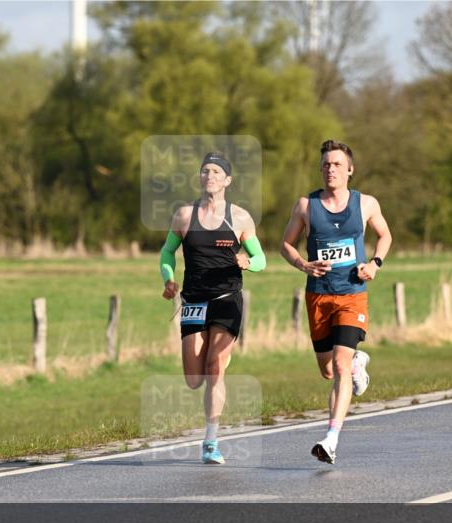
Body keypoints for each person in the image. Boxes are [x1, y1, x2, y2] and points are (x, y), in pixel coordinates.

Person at [280, 140, 392, 464]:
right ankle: (358, 363)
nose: (331, 169)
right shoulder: (305, 206)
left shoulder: (366, 204)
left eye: (338, 164)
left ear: (350, 170)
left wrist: (375, 264)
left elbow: (385, 235)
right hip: (318, 294)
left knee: (340, 366)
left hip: (352, 294)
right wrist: (303, 264)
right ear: (321, 169)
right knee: (328, 370)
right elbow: (285, 245)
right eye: (326, 164)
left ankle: (331, 439)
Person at [159, 152, 266, 464]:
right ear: (200, 177)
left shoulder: (241, 218)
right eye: (205, 171)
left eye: (217, 171)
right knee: (194, 378)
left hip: (226, 299)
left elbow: (261, 258)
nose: (210, 176)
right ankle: (213, 370)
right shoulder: (183, 216)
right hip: (193, 301)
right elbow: (167, 252)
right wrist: (168, 279)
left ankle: (210, 441)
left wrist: (248, 262)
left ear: (227, 180)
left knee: (215, 365)